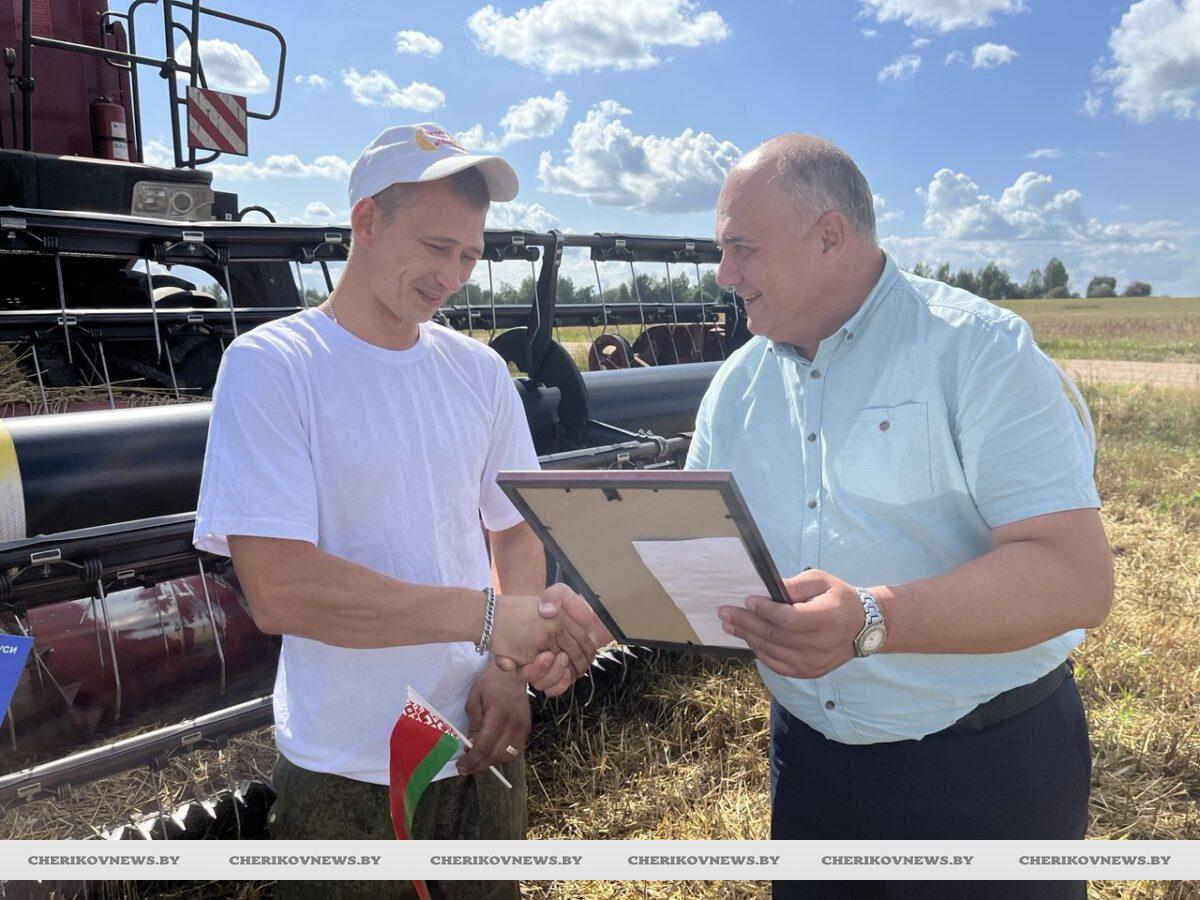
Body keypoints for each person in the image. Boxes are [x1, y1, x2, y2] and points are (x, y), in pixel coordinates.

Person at [689, 134, 1113, 900]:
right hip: (810, 765)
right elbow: (696, 550)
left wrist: (872, 621)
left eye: (741, 248)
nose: (725, 276)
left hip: (986, 774)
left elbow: (1075, 576)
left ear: (829, 237)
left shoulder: (977, 350)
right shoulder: (735, 388)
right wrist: (591, 616)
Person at [193, 123, 607, 900]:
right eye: (435, 246)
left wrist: (508, 668)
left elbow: (515, 528)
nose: (453, 275)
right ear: (366, 222)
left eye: (470, 256)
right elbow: (281, 589)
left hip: (481, 745)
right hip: (349, 769)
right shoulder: (274, 367)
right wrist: (490, 620)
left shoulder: (479, 373)